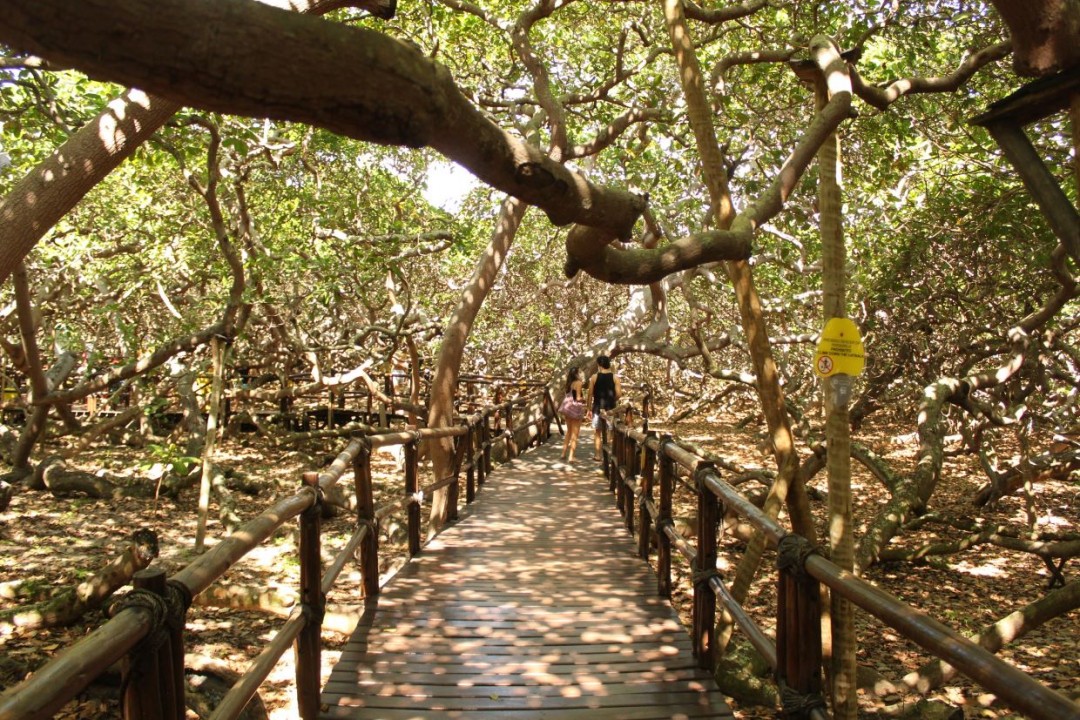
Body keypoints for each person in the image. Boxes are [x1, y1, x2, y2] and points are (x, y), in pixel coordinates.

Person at [586, 354, 621, 461]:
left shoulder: (594, 377)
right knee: (611, 431)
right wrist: (612, 400)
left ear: (599, 365)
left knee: (598, 432)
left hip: (597, 408)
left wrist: (588, 408)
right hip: (611, 409)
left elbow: (590, 394)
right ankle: (609, 456)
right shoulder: (615, 377)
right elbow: (619, 394)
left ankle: (598, 455)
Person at [560, 366, 584, 462]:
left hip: (567, 409)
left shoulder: (569, 383)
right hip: (575, 410)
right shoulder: (578, 383)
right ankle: (571, 456)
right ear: (577, 374)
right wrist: (584, 399)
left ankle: (563, 453)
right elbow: (578, 398)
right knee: (575, 434)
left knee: (568, 432)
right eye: (580, 371)